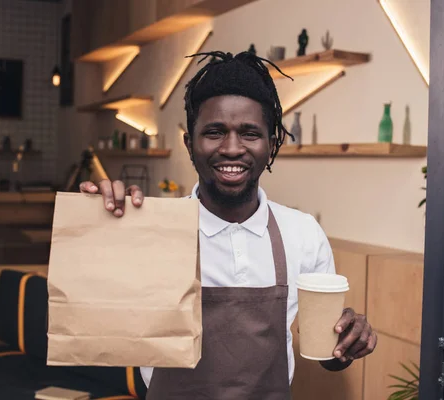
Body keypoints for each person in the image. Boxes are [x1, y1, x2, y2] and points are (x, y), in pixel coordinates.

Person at [79, 51, 377, 399]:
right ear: (190, 145)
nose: (232, 148)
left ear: (272, 144)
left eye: (250, 133)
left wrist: (347, 342)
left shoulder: (303, 234)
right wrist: (99, 222)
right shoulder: (152, 232)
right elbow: (96, 315)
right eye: (215, 132)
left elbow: (328, 356)